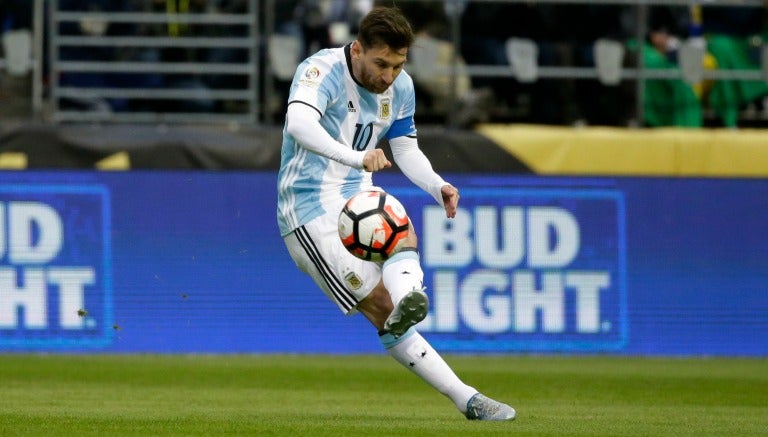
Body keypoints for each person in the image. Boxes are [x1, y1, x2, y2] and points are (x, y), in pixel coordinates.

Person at [276, 6, 516, 421]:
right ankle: (465, 396)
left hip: (357, 190)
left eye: (398, 65)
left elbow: (404, 147)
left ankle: (411, 298)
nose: (389, 76)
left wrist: (436, 184)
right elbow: (299, 124)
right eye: (381, 64)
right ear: (357, 49)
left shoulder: (401, 86)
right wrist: (356, 157)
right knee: (382, 308)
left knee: (400, 231)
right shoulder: (320, 70)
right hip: (308, 206)